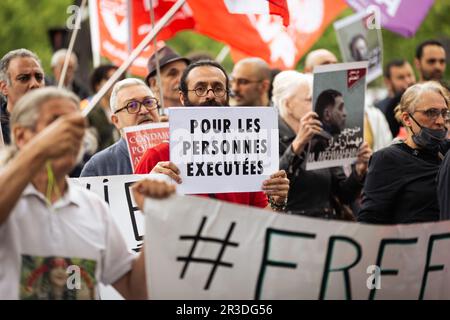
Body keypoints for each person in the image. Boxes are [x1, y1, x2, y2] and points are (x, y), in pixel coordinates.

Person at [0, 86, 176, 299]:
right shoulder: (11, 198)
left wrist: (154, 219)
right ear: (20, 136)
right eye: (55, 122)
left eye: (76, 124)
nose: (70, 132)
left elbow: (135, 289)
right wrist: (39, 150)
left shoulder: (93, 207)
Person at [135, 60, 289, 211]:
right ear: (182, 97)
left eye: (218, 88)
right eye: (200, 89)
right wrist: (149, 187)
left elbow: (259, 222)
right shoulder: (157, 157)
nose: (210, 95)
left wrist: (277, 201)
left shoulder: (245, 155)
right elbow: (130, 222)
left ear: (228, 96)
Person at [274, 70, 371, 219]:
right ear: (288, 105)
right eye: (309, 100)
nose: (315, 106)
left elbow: (344, 195)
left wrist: (358, 171)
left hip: (324, 226)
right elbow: (271, 187)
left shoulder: (321, 138)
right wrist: (298, 144)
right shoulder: (271, 136)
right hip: (291, 227)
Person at [358, 81, 450, 224]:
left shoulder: (447, 154)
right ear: (407, 119)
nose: (440, 121)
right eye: (431, 113)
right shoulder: (388, 159)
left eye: (444, 113)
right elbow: (369, 222)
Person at [80, 78, 160, 177]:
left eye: (148, 102)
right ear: (116, 121)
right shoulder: (99, 166)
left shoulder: (179, 152)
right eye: (132, 105)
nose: (144, 110)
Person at [0, 49, 45, 145]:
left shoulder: (56, 123)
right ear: (4, 87)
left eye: (39, 77)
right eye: (24, 78)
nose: (35, 84)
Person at [82, 64, 122, 151]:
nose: (115, 83)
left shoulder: (122, 108)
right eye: (110, 79)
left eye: (118, 79)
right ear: (98, 85)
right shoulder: (88, 110)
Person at [375, 59, 416, 137]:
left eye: (410, 75)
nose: (408, 81)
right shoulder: (379, 111)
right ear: (388, 82)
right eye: (401, 78)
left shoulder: (423, 103)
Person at [145, 46, 190, 110]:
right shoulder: (148, 118)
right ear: (154, 83)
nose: (182, 79)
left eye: (186, 73)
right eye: (173, 74)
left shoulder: (200, 114)